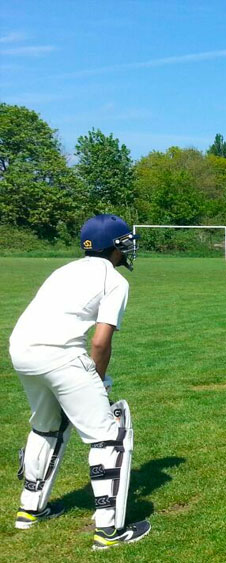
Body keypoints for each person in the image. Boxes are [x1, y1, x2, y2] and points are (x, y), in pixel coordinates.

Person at [8, 214, 151, 549]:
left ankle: (30, 510)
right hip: (61, 355)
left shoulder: (64, 269)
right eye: (125, 242)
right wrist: (97, 384)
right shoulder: (114, 281)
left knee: (47, 427)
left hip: (21, 350)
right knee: (108, 435)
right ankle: (109, 532)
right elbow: (100, 342)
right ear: (115, 246)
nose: (128, 248)